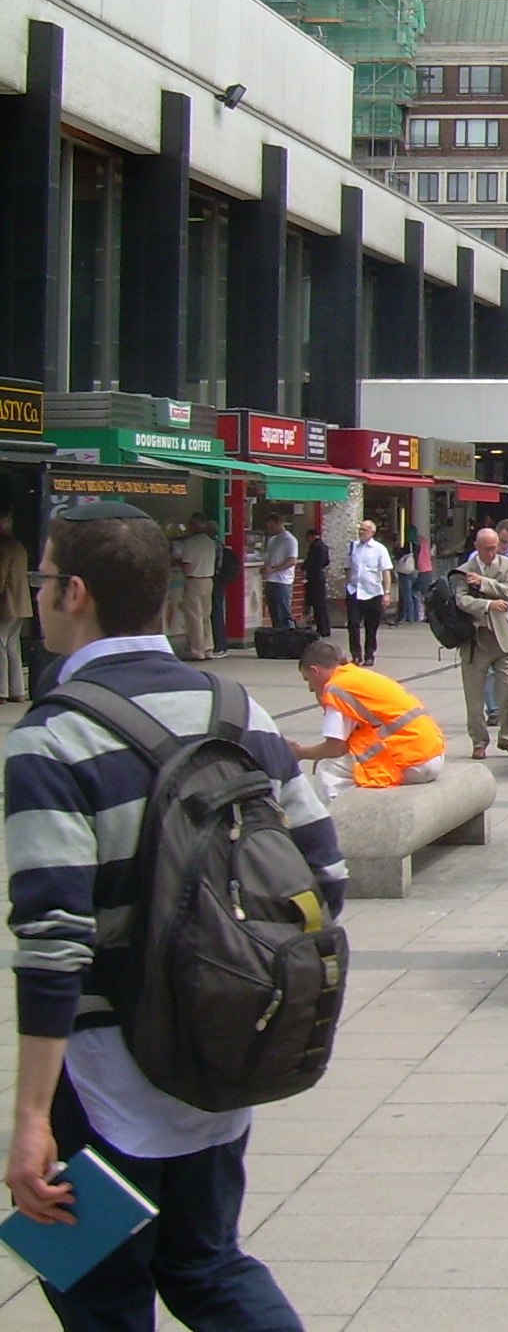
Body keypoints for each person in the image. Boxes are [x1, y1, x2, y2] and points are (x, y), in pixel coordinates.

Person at [5, 497, 344, 1328]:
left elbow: (53, 942)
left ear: (75, 592)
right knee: (205, 1262)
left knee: (87, 1274)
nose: (38, 595)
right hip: (220, 1048)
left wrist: (29, 1119)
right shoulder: (238, 711)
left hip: (101, 1077)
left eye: (44, 579)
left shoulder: (50, 739)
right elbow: (324, 876)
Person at [289, 640, 446, 800]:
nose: (310, 689)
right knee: (340, 762)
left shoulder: (335, 689)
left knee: (327, 767)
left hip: (411, 763)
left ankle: (337, 818)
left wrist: (301, 753)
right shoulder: (357, 676)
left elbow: (335, 748)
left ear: (315, 671)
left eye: (308, 680)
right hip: (431, 754)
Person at [456, 528, 508, 760]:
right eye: (487, 548)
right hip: (476, 641)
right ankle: (479, 741)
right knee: (475, 699)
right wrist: (486, 605)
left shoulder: (506, 564)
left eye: (495, 547)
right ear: (477, 547)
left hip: (504, 639)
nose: (492, 552)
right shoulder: (464, 570)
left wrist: (484, 583)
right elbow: (461, 599)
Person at [343, 519, 394, 668]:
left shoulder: (379, 549)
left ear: (372, 532)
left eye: (364, 530)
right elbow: (348, 567)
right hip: (354, 590)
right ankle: (356, 655)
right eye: (360, 529)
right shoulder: (353, 547)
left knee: (371, 626)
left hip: (373, 592)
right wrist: (347, 585)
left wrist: (387, 592)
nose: (361, 532)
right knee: (353, 623)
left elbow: (386, 572)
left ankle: (369, 654)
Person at [170, 515, 218, 664]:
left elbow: (186, 564)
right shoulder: (211, 542)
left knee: (194, 617)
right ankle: (208, 648)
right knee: (205, 616)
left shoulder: (190, 543)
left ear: (194, 526)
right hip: (208, 580)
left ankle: (197, 650)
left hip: (194, 580)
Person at [0, 512, 27, 700]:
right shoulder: (19, 546)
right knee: (12, 646)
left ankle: (1, 691)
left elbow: (1, 575)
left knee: (0, 645)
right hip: (21, 604)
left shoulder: (4, 546)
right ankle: (17, 691)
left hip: (7, 603)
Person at [258, 513, 299, 630]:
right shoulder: (273, 540)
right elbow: (270, 558)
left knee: (284, 614)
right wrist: (265, 568)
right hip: (271, 581)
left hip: (282, 582)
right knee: (275, 614)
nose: (270, 530)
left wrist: (274, 569)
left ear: (279, 523)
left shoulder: (289, 540)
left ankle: (289, 637)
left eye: (272, 527)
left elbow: (292, 560)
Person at [301, 528, 331, 639]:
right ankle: (325, 628)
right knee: (321, 604)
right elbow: (327, 561)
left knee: (316, 604)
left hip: (314, 576)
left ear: (311, 536)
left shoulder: (315, 546)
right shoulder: (324, 546)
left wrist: (304, 569)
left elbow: (310, 560)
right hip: (320, 575)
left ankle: (321, 628)